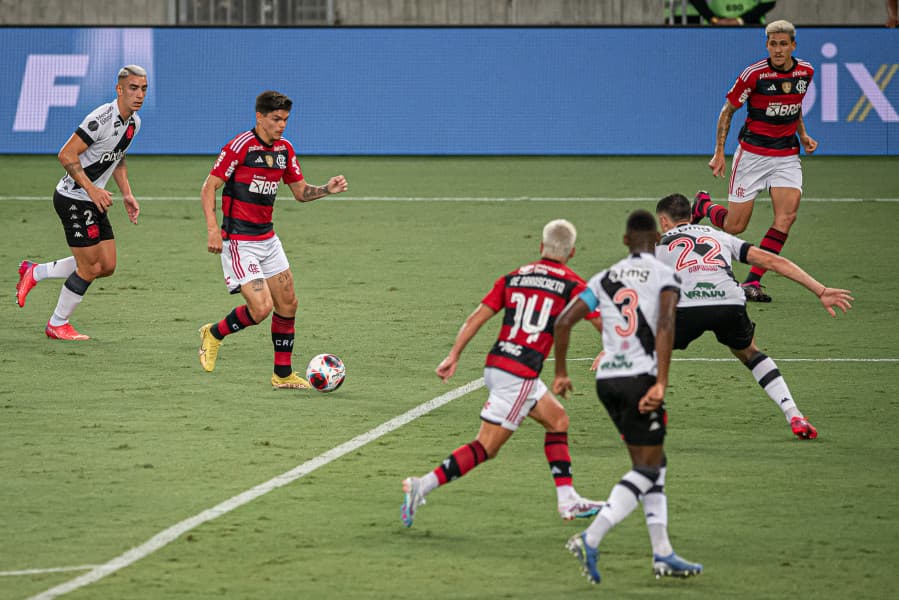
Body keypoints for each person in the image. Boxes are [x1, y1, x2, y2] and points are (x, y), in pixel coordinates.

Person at [400, 219, 605, 528]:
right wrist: (609, 349)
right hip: (519, 374)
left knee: (558, 420)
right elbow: (601, 321)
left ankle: (568, 499)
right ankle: (422, 485)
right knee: (486, 446)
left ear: (541, 247)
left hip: (498, 365)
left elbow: (476, 318)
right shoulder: (574, 284)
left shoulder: (514, 277)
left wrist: (454, 354)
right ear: (572, 252)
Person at [553, 210, 702, 584]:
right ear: (657, 240)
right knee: (647, 468)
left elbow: (563, 321)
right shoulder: (665, 275)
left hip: (607, 381)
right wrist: (661, 383)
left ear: (624, 241)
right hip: (639, 379)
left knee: (654, 462)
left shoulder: (604, 277)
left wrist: (561, 372)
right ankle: (590, 538)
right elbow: (666, 324)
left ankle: (662, 552)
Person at [656, 192, 853, 439]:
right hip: (729, 302)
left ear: (664, 221)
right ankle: (794, 414)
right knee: (750, 353)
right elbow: (773, 262)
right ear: (689, 214)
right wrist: (820, 290)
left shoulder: (658, 245)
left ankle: (652, 412)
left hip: (687, 307)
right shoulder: (720, 236)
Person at [197, 90, 348, 389]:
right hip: (239, 241)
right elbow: (208, 187)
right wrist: (213, 229)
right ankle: (213, 333)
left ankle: (282, 375)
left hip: (268, 240)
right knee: (261, 308)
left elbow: (300, 192)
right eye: (276, 119)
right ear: (260, 117)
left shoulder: (284, 150)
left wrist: (326, 189)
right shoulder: (240, 146)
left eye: (285, 120)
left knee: (288, 304)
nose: (282, 125)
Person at [15, 66, 147, 340]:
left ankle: (35, 272)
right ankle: (57, 323)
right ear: (119, 89)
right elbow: (66, 154)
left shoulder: (134, 122)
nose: (139, 95)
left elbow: (118, 156)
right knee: (89, 267)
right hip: (73, 198)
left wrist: (127, 194)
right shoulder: (101, 119)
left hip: (93, 199)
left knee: (106, 265)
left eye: (144, 89)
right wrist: (92, 190)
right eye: (133, 88)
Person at [697, 20, 816, 302]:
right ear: (767, 45)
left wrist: (803, 134)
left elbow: (795, 105)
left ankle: (753, 281)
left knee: (786, 217)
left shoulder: (806, 72)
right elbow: (727, 111)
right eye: (773, 44)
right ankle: (703, 205)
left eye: (783, 44)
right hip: (752, 155)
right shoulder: (754, 75)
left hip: (786, 155)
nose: (778, 49)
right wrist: (719, 152)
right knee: (735, 226)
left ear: (793, 45)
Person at [667, 0, 776, 25]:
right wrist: (713, 19)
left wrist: (740, 20)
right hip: (715, 27)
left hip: (751, 26)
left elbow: (769, 2)